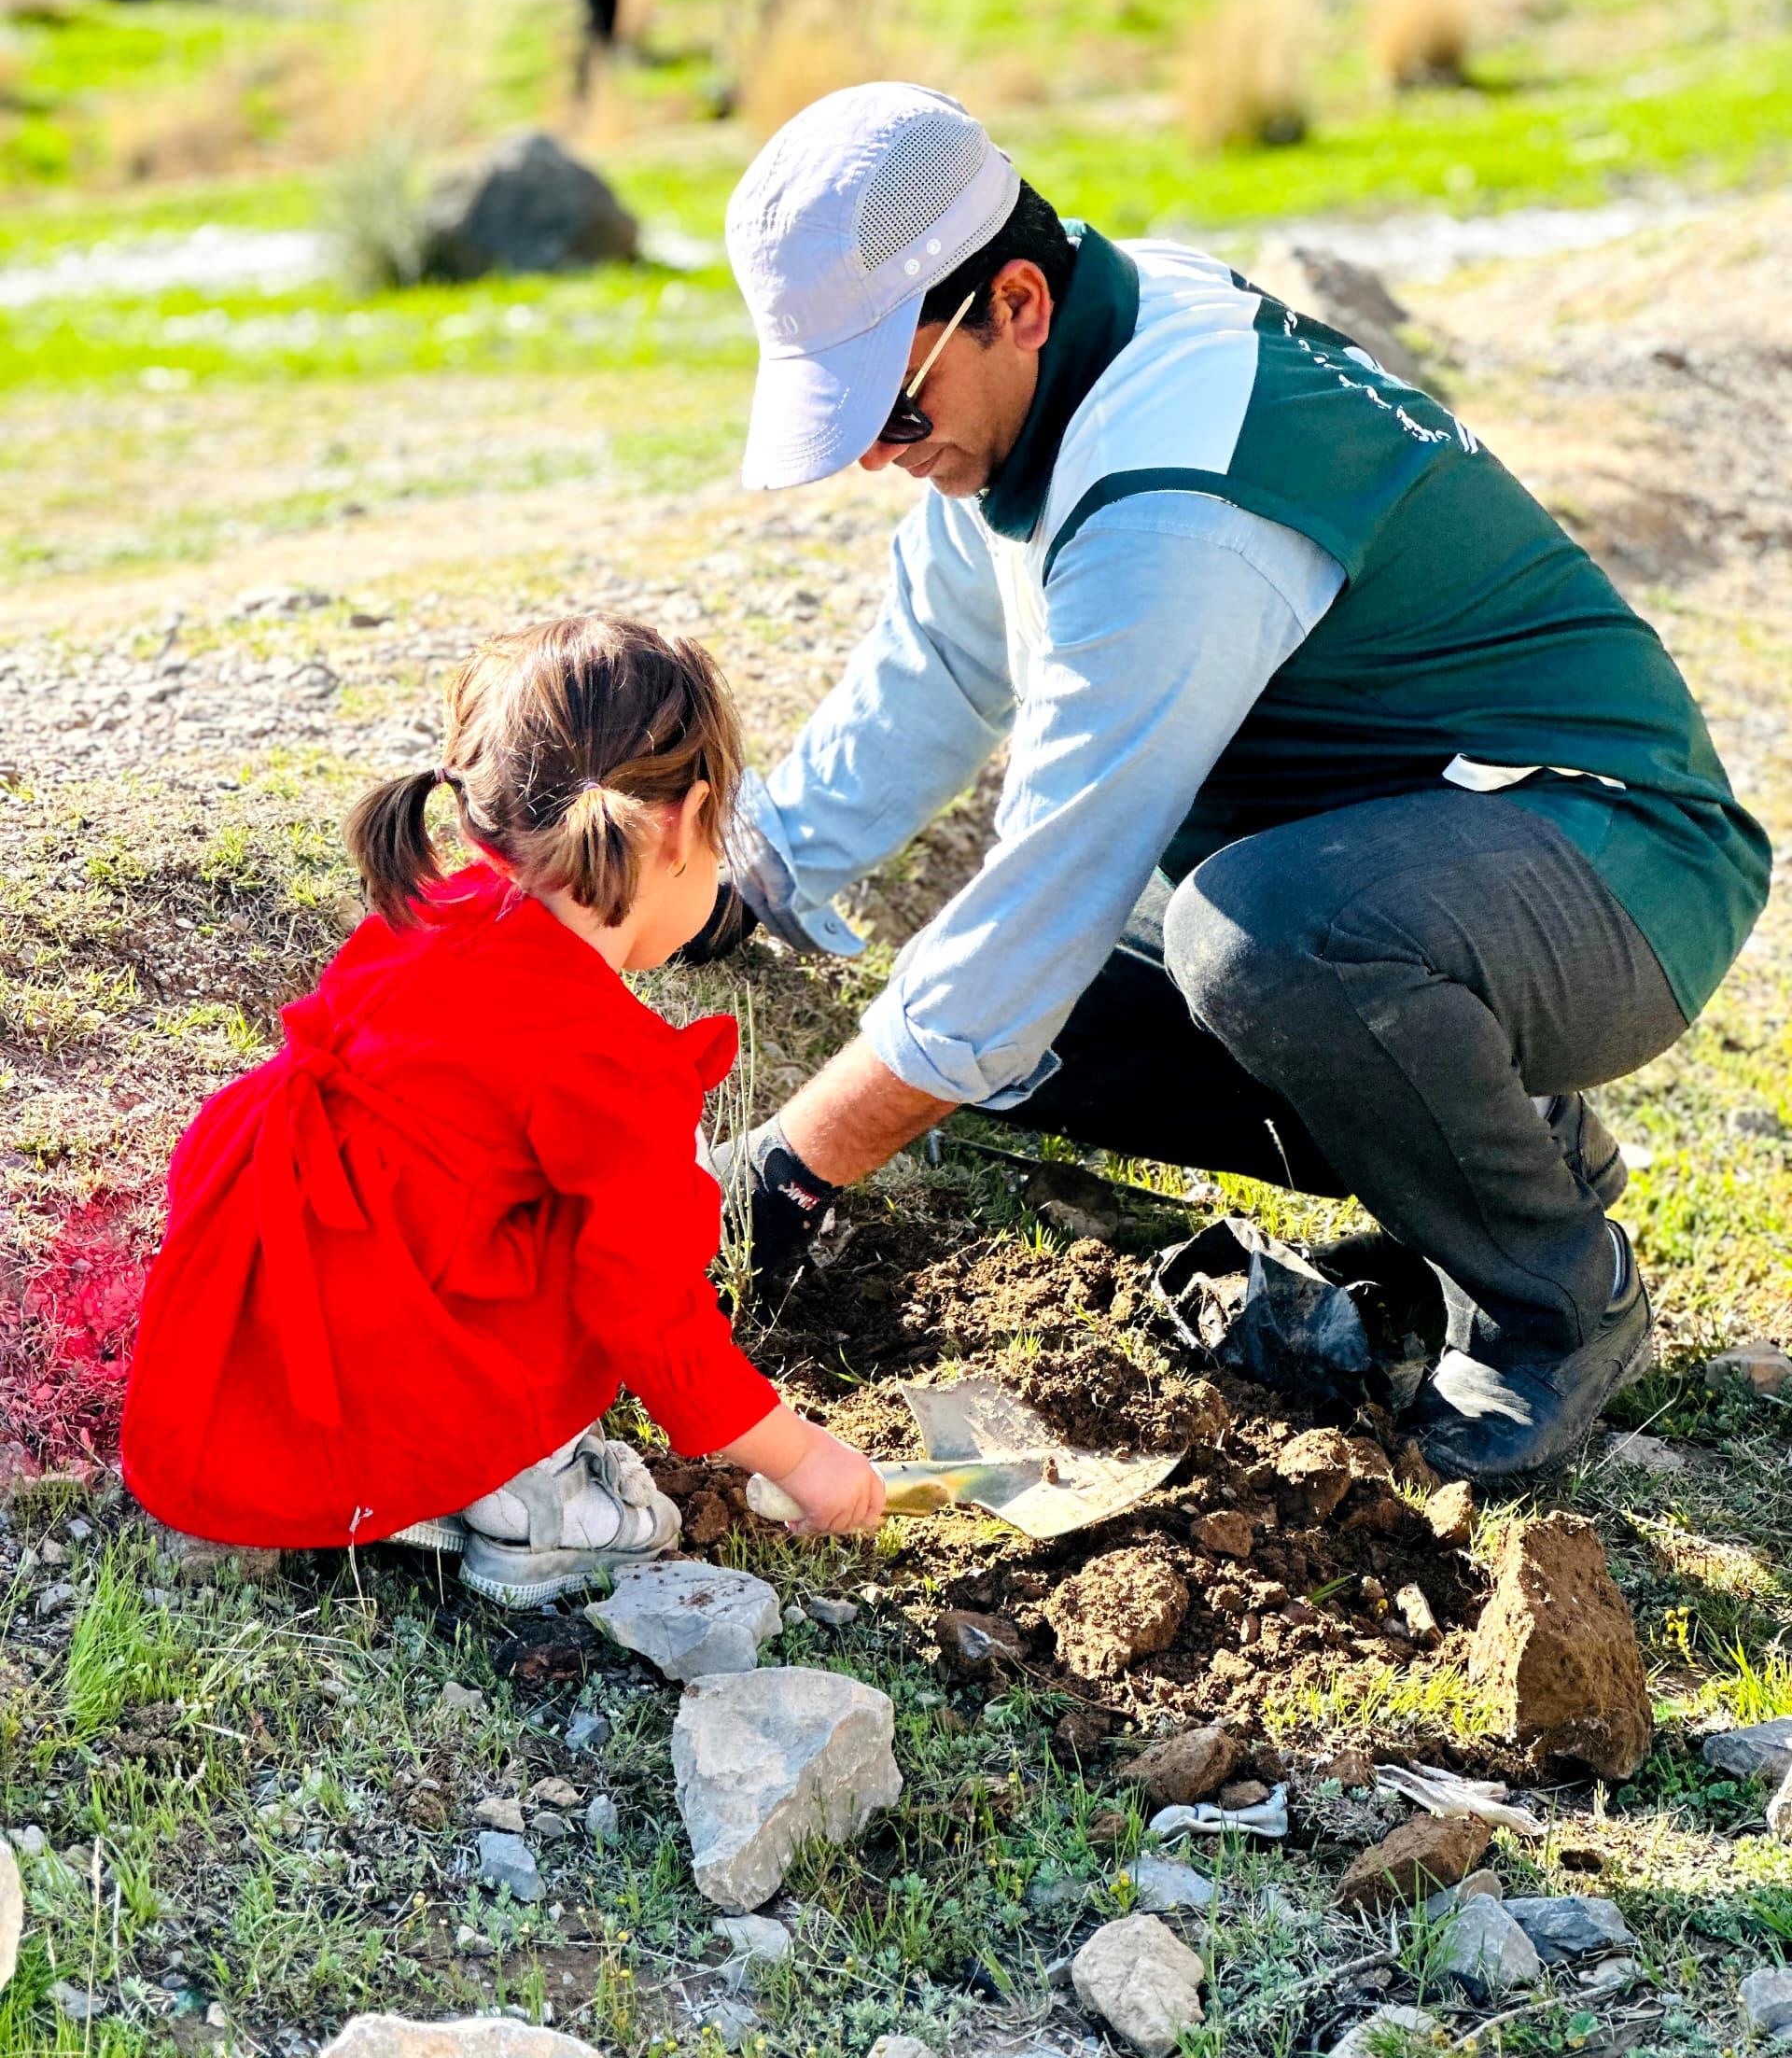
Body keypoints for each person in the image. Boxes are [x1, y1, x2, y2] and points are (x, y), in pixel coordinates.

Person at [703, 80, 1771, 1487]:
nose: (875, 456)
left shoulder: (1173, 491)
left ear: (1016, 302)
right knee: (1031, 1037)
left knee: (1250, 943)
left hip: (1616, 858)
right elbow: (944, 664)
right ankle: (1483, 1164)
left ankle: (1554, 1297)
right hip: (1427, 859)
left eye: (893, 411)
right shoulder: (1052, 382)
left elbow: (1047, 893)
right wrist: (753, 872)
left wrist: (775, 1178)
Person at [121, 614, 886, 1603]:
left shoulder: (430, 915)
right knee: (629, 1223)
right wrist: (800, 1456)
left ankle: (423, 1465)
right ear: (683, 825)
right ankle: (529, 1497)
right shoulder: (611, 1065)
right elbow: (653, 1312)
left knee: (541, 1195)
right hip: (375, 1349)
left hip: (268, 1307)